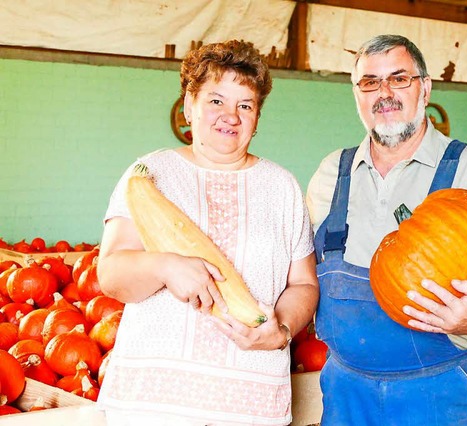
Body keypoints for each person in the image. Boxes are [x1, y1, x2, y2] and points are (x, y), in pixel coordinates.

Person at [306, 34, 467, 425]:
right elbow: (300, 273)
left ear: (425, 88)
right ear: (357, 95)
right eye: (370, 82)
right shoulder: (330, 174)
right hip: (347, 394)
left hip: (444, 391)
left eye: (399, 78)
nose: (384, 93)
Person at [97, 40, 319, 426]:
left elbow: (304, 284)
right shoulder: (148, 175)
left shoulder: (282, 187)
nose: (230, 116)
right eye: (216, 100)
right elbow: (111, 276)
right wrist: (164, 267)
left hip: (253, 404)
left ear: (257, 117)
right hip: (152, 405)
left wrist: (280, 330)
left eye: (245, 105)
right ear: (189, 106)